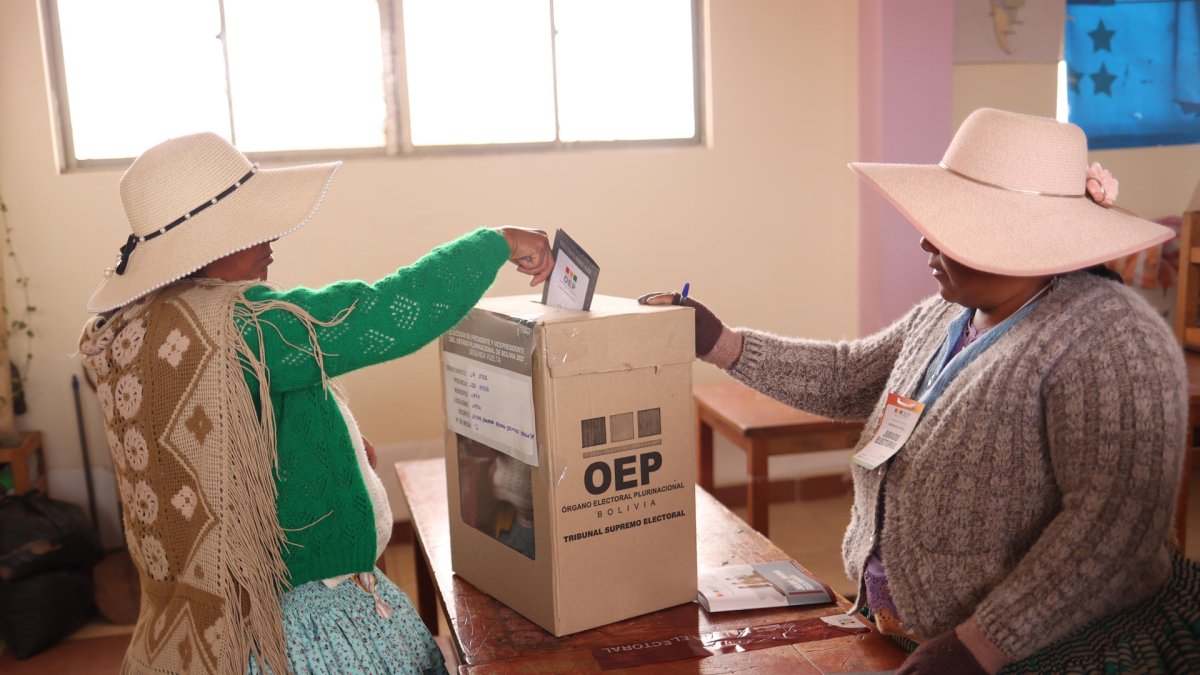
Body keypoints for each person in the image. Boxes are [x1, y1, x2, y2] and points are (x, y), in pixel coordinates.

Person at [643, 108, 1196, 673]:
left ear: (1027, 238)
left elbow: (1112, 530)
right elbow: (846, 377)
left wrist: (978, 645)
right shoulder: (949, 313)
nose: (926, 242)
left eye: (950, 227)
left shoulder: (1111, 337)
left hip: (1042, 654)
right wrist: (720, 341)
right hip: (917, 641)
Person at [78, 132, 553, 675]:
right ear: (204, 249)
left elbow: (237, 433)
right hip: (304, 630)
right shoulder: (240, 326)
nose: (272, 241)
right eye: (251, 228)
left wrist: (339, 447)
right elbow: (382, 315)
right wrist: (497, 243)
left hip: (224, 623)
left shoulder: (145, 327)